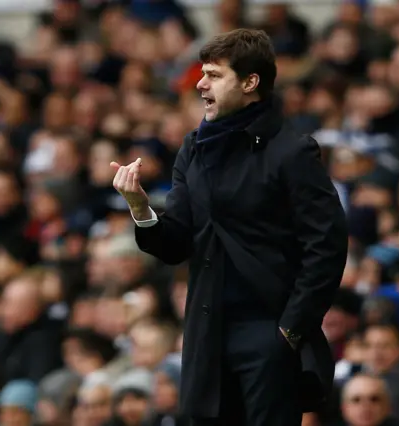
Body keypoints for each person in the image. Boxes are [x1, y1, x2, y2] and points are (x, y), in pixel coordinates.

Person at [111, 28, 348, 425]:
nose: (201, 84)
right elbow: (175, 244)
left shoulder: (291, 151)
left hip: (269, 332)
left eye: (214, 75)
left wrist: (290, 329)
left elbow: (326, 246)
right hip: (207, 332)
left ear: (250, 82)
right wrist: (139, 206)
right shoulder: (193, 148)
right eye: (202, 74)